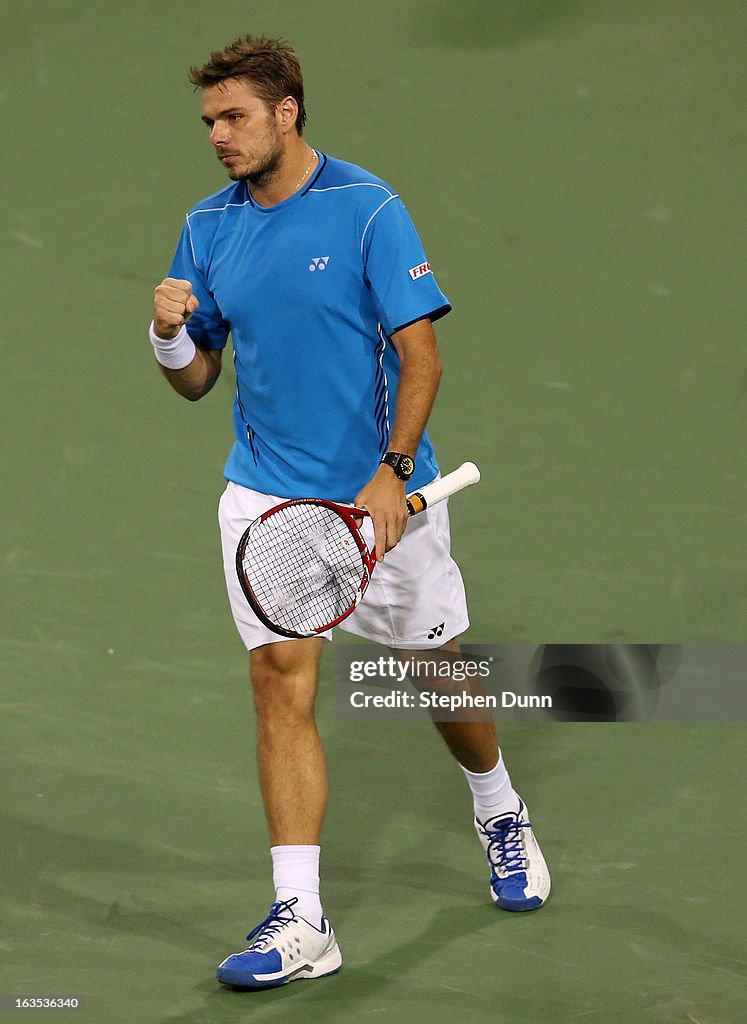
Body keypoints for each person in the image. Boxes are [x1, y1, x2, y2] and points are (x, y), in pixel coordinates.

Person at [150, 34, 550, 990]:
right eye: (208, 120)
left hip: (379, 490)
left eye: (233, 116)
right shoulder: (208, 228)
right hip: (262, 492)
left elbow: (422, 355)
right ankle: (303, 918)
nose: (217, 136)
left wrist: (390, 469)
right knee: (278, 682)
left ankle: (497, 806)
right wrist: (168, 338)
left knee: (432, 672)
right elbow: (200, 380)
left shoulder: (368, 208)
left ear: (287, 112)